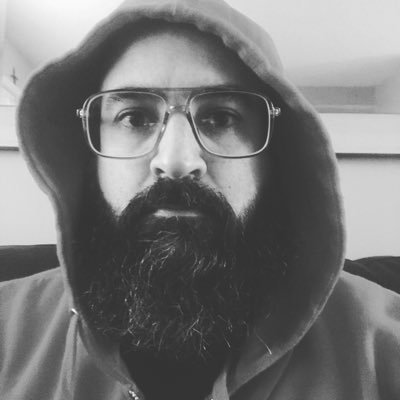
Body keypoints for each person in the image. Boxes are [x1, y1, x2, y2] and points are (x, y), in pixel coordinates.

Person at [1, 0, 399, 399]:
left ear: (275, 159)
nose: (176, 161)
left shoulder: (383, 347)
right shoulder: (7, 333)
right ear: (88, 155)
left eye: (221, 117)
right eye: (134, 117)